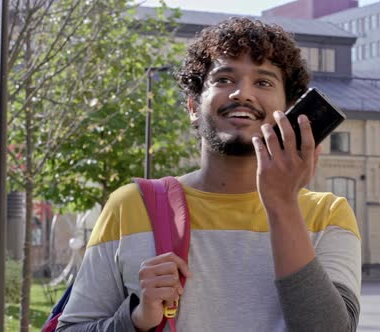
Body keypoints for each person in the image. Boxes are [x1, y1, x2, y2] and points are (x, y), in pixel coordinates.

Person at [57, 17, 361, 332]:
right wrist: (135, 319)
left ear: (287, 109)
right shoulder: (130, 206)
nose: (242, 94)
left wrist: (283, 203)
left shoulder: (328, 215)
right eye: (224, 79)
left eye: (264, 82)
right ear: (192, 106)